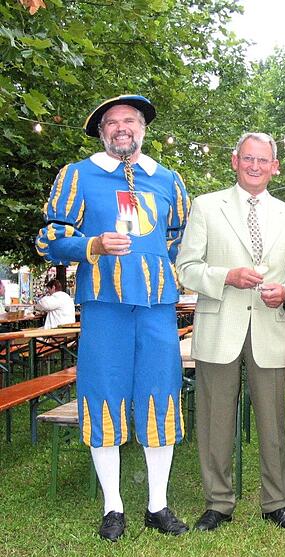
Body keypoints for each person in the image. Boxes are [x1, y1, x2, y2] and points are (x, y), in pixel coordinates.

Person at [34, 95, 190, 541]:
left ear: (143, 128)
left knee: (161, 393)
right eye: (113, 122)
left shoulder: (168, 180)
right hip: (104, 307)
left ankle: (157, 505)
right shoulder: (78, 175)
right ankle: (113, 506)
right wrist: (94, 246)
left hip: (157, 307)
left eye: (131, 121)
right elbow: (50, 237)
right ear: (102, 131)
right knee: (103, 393)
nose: (123, 127)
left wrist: (156, 268)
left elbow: (179, 235)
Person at [176, 132, 285, 532]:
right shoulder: (206, 206)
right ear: (234, 161)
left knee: (273, 421)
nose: (255, 166)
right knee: (215, 419)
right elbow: (186, 267)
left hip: (268, 327)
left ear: (275, 166)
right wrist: (225, 276)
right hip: (219, 326)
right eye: (248, 158)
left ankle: (276, 502)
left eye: (263, 160)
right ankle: (218, 502)